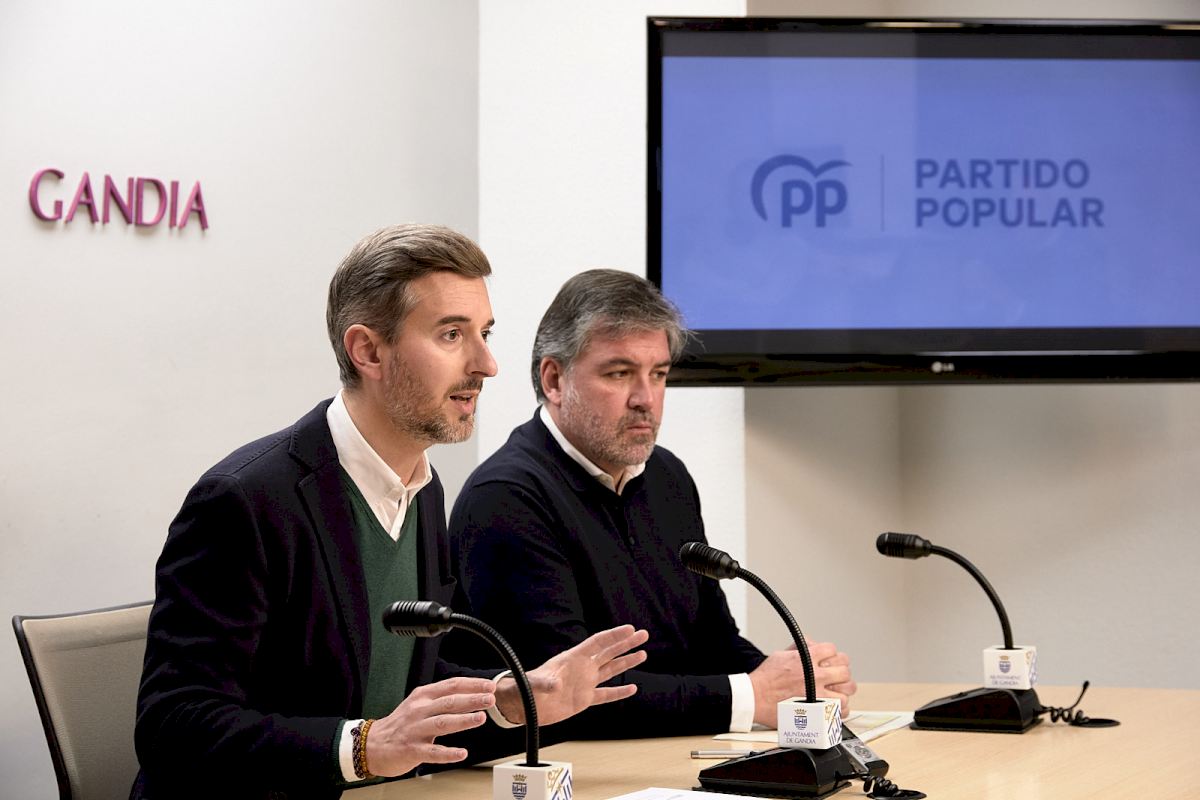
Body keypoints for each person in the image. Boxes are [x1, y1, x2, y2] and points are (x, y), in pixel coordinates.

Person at [132, 227, 648, 800]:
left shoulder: (423, 489)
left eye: (484, 333)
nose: (487, 364)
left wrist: (507, 698)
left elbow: (399, 677)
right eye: (452, 335)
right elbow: (172, 725)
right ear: (368, 351)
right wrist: (364, 745)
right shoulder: (244, 501)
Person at [446, 268, 855, 738]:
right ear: (554, 380)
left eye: (658, 374)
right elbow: (566, 696)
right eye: (620, 374)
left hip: (658, 754)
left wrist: (795, 685)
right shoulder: (506, 498)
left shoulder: (667, 477)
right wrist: (749, 695)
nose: (646, 399)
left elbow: (712, 641)